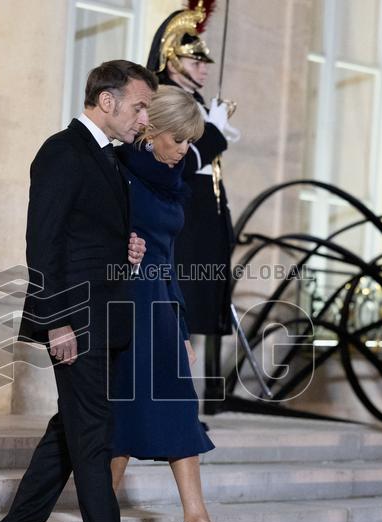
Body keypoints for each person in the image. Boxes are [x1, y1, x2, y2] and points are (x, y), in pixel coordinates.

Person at [0, 61, 171, 522]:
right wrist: (56, 321)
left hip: (108, 314)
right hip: (76, 318)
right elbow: (42, 246)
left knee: (71, 430)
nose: (146, 118)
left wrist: (127, 249)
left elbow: (85, 235)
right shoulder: (61, 152)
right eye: (140, 106)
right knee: (94, 436)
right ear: (107, 101)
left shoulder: (110, 159)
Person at [111, 86, 249, 522]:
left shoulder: (175, 176)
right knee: (124, 419)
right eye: (179, 141)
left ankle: (197, 520)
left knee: (178, 411)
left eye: (192, 143)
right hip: (125, 304)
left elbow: (168, 257)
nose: (186, 152)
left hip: (162, 306)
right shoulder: (119, 170)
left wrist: (183, 324)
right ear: (151, 132)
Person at [146, 1, 241, 410]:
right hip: (183, 221)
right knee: (179, 313)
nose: (203, 68)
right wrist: (215, 133)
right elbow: (184, 162)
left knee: (202, 311)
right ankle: (178, 402)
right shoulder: (167, 99)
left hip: (205, 219)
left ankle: (203, 401)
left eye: (204, 62)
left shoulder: (196, 102)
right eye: (193, 60)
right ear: (171, 57)